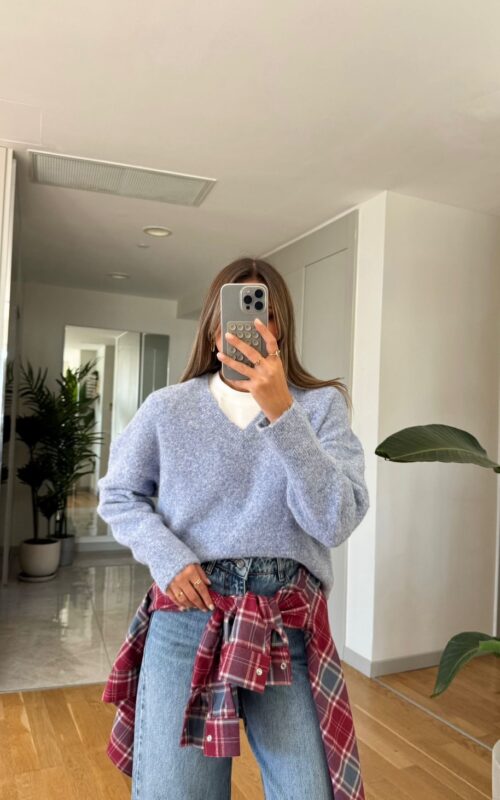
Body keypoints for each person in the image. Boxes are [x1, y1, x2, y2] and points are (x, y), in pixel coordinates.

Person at [97, 256, 370, 800]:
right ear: (212, 326)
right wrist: (169, 558)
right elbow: (118, 493)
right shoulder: (167, 408)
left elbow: (335, 520)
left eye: (262, 312)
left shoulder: (320, 408)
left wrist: (283, 413)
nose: (249, 325)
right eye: (236, 311)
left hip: (287, 621)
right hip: (188, 617)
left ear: (280, 326)